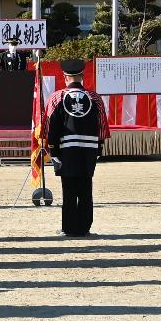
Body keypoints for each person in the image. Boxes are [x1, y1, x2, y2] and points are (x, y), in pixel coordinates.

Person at [46, 58, 108, 237]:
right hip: (89, 150)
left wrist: (53, 150)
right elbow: (102, 126)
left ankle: (69, 228)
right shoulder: (95, 98)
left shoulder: (57, 97)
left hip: (67, 150)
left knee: (69, 190)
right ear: (82, 76)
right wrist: (99, 149)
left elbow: (52, 126)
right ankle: (85, 228)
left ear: (65, 77)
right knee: (86, 188)